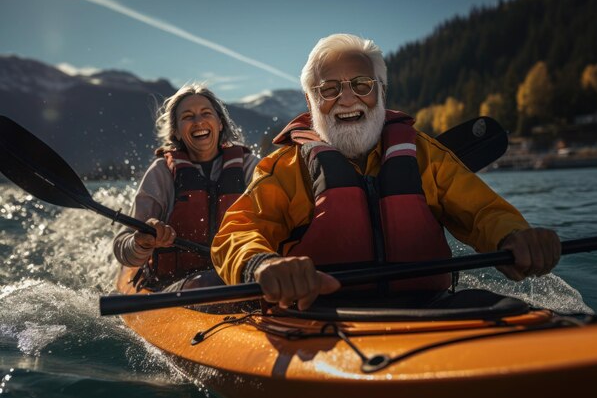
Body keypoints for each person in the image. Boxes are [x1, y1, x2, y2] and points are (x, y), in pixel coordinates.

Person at [211, 33, 561, 310]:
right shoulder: (284, 169)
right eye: (329, 89)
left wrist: (513, 235)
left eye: (361, 84)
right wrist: (261, 264)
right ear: (310, 102)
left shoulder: (426, 155)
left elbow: (484, 211)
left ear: (382, 91)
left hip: (430, 306)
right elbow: (237, 233)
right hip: (318, 313)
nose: (347, 99)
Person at [113, 83, 259, 291]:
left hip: (240, 278)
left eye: (206, 113)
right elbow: (123, 247)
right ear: (177, 132)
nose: (198, 121)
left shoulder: (249, 167)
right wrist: (142, 241)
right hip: (175, 286)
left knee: (220, 280)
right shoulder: (161, 172)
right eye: (187, 117)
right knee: (209, 282)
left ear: (220, 124)